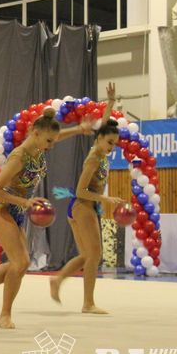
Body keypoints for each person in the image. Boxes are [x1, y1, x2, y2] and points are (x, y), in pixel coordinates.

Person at [0, 105, 95, 329]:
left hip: (16, 209)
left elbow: (57, 135)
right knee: (20, 261)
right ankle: (0, 313)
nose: (52, 145)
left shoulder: (39, 147)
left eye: (53, 141)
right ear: (35, 132)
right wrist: (26, 202)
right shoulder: (19, 156)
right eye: (49, 141)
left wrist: (79, 129)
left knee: (20, 264)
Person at [49, 86, 122, 315]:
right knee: (94, 255)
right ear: (99, 140)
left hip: (83, 207)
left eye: (115, 144)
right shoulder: (93, 159)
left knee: (86, 255)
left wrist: (109, 103)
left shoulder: (99, 151)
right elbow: (80, 190)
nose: (112, 147)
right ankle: (88, 303)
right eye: (110, 143)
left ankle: (58, 280)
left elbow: (104, 124)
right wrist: (105, 198)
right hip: (82, 205)